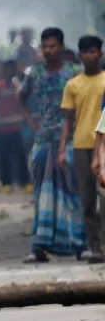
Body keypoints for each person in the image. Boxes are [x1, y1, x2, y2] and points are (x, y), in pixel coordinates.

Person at [25, 28, 84, 262]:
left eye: (53, 46)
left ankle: (78, 243)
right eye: (45, 46)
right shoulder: (35, 73)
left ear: (61, 46)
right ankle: (40, 244)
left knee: (73, 191)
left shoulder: (74, 73)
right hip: (44, 139)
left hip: (71, 138)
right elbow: (23, 96)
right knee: (42, 191)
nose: (48, 50)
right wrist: (32, 122)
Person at [61, 35, 105, 262]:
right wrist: (61, 149)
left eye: (93, 51)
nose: (89, 56)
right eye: (85, 52)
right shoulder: (73, 84)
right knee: (87, 200)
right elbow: (68, 119)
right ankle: (95, 248)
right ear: (80, 56)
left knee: (104, 197)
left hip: (104, 146)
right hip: (80, 145)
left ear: (100, 54)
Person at [0, 61, 30, 192]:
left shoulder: (17, 85)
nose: (10, 72)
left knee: (20, 156)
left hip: (16, 128)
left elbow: (22, 103)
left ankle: (25, 183)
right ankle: (6, 184)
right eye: (7, 69)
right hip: (2, 128)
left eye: (12, 69)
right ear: (3, 70)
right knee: (3, 157)